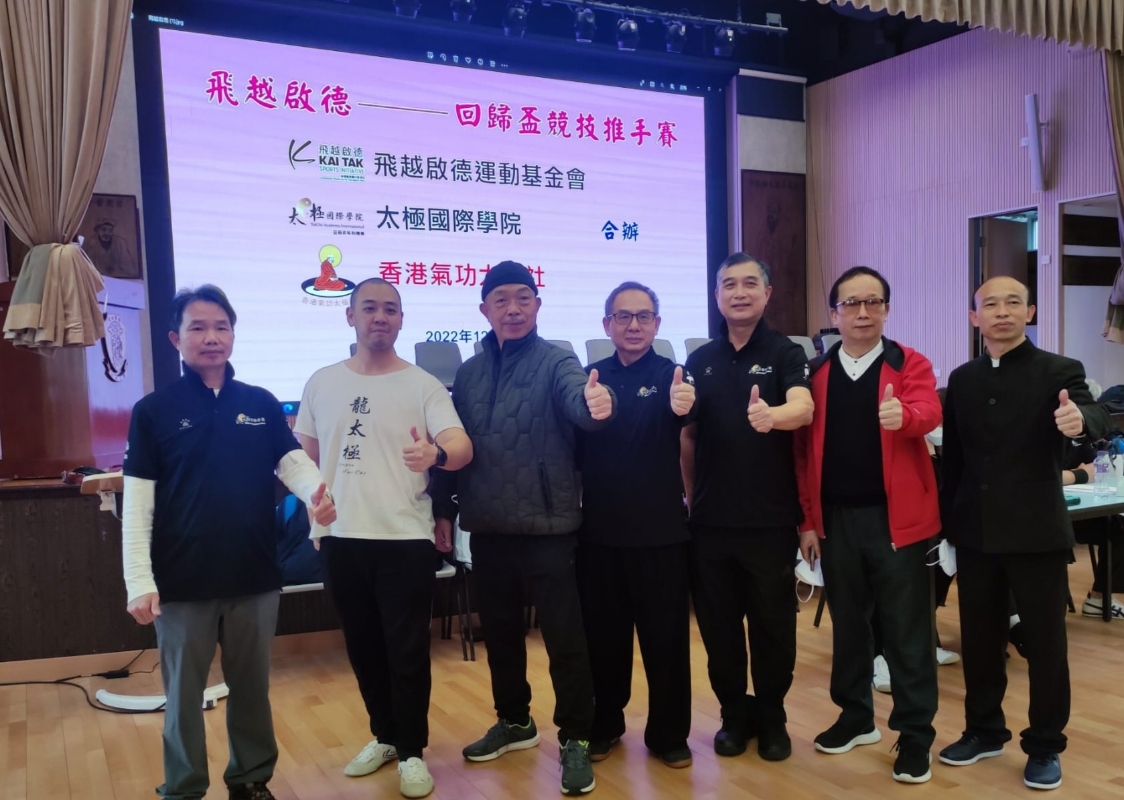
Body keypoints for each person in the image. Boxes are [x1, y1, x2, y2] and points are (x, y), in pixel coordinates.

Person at [121, 284, 337, 800]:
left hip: (254, 575)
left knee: (252, 688)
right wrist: (138, 580)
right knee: (182, 696)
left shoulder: (259, 403)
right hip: (182, 580)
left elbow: (293, 463)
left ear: (234, 336)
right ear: (176, 338)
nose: (211, 337)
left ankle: (251, 778)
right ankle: (183, 787)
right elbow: (138, 504)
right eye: (198, 327)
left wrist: (316, 497)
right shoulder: (153, 411)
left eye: (221, 327)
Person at [435, 260, 616, 796]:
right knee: (500, 635)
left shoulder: (558, 360)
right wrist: (443, 510)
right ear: (484, 309)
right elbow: (452, 447)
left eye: (523, 298)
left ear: (537, 305)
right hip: (488, 525)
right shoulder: (468, 374)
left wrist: (596, 404)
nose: (513, 309)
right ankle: (514, 721)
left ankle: (576, 736)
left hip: (549, 526)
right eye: (501, 300)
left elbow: (581, 403)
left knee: (564, 639)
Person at [294, 278, 472, 799]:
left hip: (404, 537)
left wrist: (436, 454)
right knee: (363, 646)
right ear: (350, 316)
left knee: (407, 649)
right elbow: (299, 459)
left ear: (401, 320)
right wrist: (313, 508)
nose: (380, 317)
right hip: (340, 536)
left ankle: (413, 751)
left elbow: (460, 445)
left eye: (390, 309)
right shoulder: (322, 382)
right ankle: (386, 736)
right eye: (369, 308)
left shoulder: (423, 385)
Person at [939, 276, 1112, 791]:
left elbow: (1095, 413)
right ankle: (984, 730)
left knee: (1044, 645)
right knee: (980, 642)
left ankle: (1045, 744)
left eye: (1013, 302)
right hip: (976, 533)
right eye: (990, 304)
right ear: (975, 317)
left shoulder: (1059, 370)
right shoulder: (962, 379)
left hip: (1036, 532)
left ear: (1029, 312)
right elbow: (954, 461)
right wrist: (949, 524)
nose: (1002, 312)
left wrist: (1080, 420)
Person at [794, 266, 941, 783]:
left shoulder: (908, 362)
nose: (862, 312)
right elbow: (801, 456)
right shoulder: (815, 372)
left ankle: (915, 735)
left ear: (886, 309)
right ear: (834, 314)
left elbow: (929, 409)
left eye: (873, 302)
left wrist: (907, 417)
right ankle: (856, 717)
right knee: (849, 627)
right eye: (851, 304)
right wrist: (806, 522)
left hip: (897, 522)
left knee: (907, 631)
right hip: (834, 522)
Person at [680, 252, 813, 762]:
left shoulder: (785, 352)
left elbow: (803, 407)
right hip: (710, 523)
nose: (739, 292)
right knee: (720, 631)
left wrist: (772, 415)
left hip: (769, 521)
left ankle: (773, 716)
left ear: (767, 293)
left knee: (773, 627)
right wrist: (692, 497)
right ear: (717, 295)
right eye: (729, 284)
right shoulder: (700, 360)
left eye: (750, 283)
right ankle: (733, 715)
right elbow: (688, 439)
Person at [575, 281, 696, 769]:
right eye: (622, 316)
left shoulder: (675, 377)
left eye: (644, 316)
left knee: (666, 641)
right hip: (599, 534)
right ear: (607, 324)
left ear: (657, 324)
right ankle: (604, 725)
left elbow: (692, 421)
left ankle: (669, 735)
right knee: (603, 641)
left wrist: (687, 407)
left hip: (661, 534)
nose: (633, 325)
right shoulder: (589, 379)